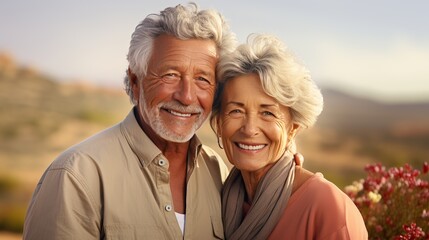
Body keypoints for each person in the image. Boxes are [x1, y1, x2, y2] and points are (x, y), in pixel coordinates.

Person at [23, 3, 237, 239]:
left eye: (202, 79)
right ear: (135, 81)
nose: (186, 96)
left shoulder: (217, 171)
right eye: (170, 75)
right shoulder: (76, 175)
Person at [210, 34, 368, 239]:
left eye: (268, 113)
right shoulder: (221, 198)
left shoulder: (328, 210)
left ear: (293, 128)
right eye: (236, 111)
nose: (249, 129)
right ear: (219, 123)